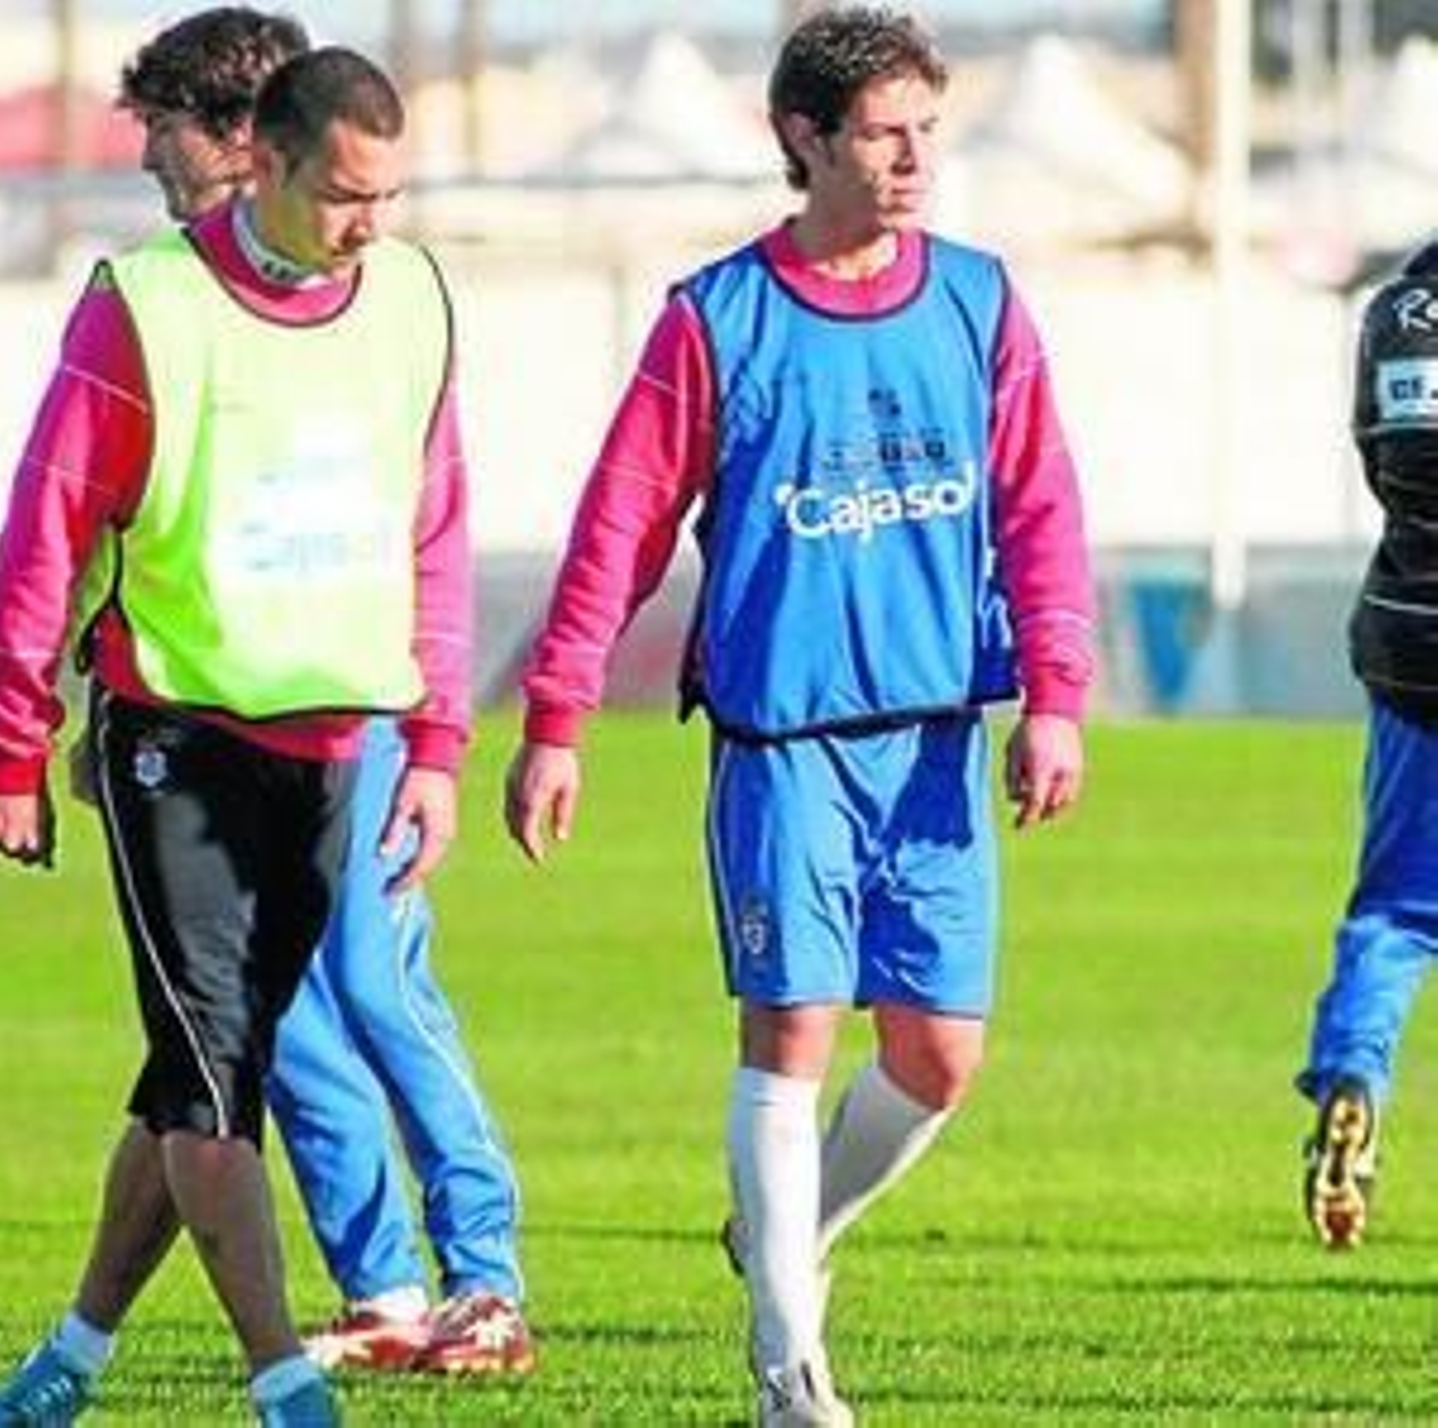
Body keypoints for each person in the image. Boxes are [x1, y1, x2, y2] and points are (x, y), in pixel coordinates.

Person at [503, 8, 1094, 1424]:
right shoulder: (716, 320)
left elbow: (1041, 506)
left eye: (927, 133)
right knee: (793, 1035)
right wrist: (557, 714)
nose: (913, 161)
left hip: (941, 741)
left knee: (939, 1055)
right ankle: (789, 1369)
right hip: (786, 750)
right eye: (885, 134)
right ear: (805, 139)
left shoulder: (981, 301)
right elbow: (621, 528)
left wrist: (1057, 697)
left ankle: (784, 1241)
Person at [0, 45, 467, 1426]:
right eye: (347, 195)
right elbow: (47, 524)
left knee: (197, 1075)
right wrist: (14, 746)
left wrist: (436, 742)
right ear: (267, 160)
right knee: (210, 1080)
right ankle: (284, 1378)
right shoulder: (149, 307)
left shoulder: (414, 298)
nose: (373, 222)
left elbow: (436, 527)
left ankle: (68, 1361)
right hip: (172, 740)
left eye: (392, 193)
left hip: (335, 755)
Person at [116, 7, 533, 1375]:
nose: (154, 173)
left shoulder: (384, 299)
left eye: (165, 142)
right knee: (274, 1023)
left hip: (347, 721)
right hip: (213, 726)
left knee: (378, 977)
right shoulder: (177, 301)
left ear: (244, 135)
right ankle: (386, 1289)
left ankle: (486, 1276)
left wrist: (436, 736)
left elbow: (434, 520)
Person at [1295, 242, 1438, 1251]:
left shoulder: (1399, 310)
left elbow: (1381, 460)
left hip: (1410, 638)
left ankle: (1352, 1074)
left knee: (1394, 912)